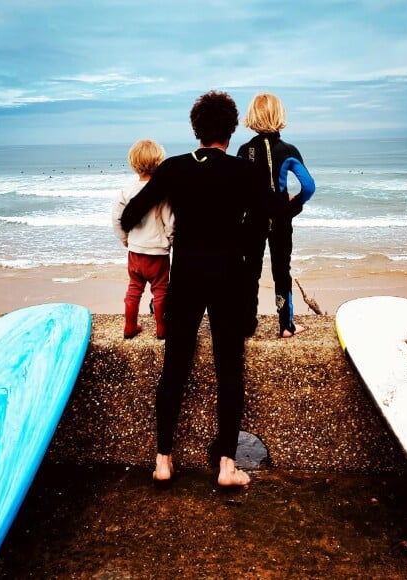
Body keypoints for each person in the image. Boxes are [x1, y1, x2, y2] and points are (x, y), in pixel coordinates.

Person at [121, 91, 283, 487]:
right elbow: (268, 216)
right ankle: (227, 467)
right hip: (229, 276)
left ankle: (163, 461)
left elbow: (131, 214)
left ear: (196, 129)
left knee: (174, 366)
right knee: (230, 369)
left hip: (187, 277)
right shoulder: (243, 172)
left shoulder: (175, 169)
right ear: (231, 129)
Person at [237, 93, 316, 338]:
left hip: (252, 219)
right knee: (282, 270)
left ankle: (248, 323)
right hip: (280, 219)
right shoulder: (288, 150)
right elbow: (309, 186)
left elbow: (238, 190)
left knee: (250, 271)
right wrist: (293, 207)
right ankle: (286, 325)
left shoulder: (245, 150)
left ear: (252, 117)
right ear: (279, 116)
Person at [112, 139, 174, 339]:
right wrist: (172, 241)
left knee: (134, 289)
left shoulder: (127, 191)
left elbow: (117, 219)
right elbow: (170, 222)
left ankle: (130, 326)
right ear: (159, 162)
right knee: (160, 291)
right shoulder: (163, 193)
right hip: (157, 252)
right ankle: (161, 328)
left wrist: (124, 238)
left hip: (136, 252)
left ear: (133, 163)